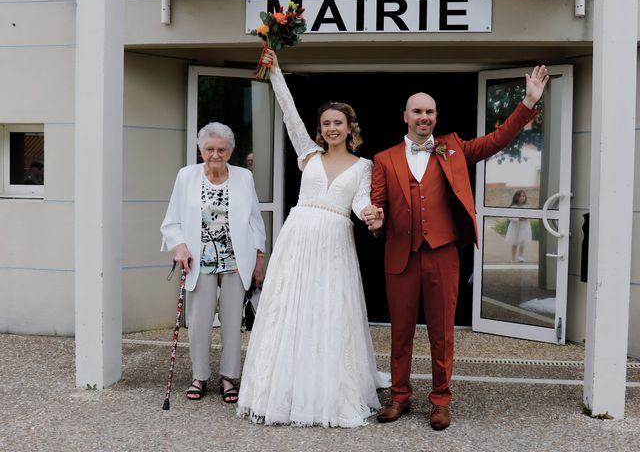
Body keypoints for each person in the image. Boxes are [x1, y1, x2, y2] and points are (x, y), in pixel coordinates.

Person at [365, 65, 549, 430]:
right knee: (400, 331)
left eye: (430, 112)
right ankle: (399, 396)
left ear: (436, 117)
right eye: (417, 111)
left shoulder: (453, 148)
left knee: (442, 332)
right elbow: (378, 202)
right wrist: (376, 219)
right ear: (405, 116)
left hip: (442, 253)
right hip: (400, 256)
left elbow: (496, 140)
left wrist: (528, 102)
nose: (424, 117)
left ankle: (440, 400)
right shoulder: (384, 159)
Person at [237, 49, 389, 427]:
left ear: (350, 127)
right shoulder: (308, 155)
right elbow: (288, 112)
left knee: (329, 310)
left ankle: (327, 389)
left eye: (338, 122)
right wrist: (275, 73)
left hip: (335, 240)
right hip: (300, 236)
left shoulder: (364, 166)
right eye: (326, 123)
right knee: (290, 308)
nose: (332, 128)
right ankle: (279, 388)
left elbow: (360, 203)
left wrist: (371, 215)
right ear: (320, 129)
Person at [160, 122, 266, 404]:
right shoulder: (187, 176)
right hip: (200, 260)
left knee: (233, 322)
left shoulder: (244, 177)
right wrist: (179, 246)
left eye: (221, 149)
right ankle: (200, 376)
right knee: (199, 322)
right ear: (200, 149)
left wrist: (259, 257)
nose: (215, 154)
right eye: (209, 149)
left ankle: (229, 377)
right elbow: (172, 221)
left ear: (230, 151)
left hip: (235, 259)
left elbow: (255, 221)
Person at [505, 189, 532, 262]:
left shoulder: (527, 207)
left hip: (524, 226)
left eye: (523, 196)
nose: (522, 197)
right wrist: (517, 219)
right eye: (520, 196)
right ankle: (513, 257)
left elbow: (530, 215)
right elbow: (509, 216)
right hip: (515, 227)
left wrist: (526, 218)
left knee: (522, 241)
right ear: (516, 197)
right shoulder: (513, 207)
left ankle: (520, 256)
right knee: (514, 241)